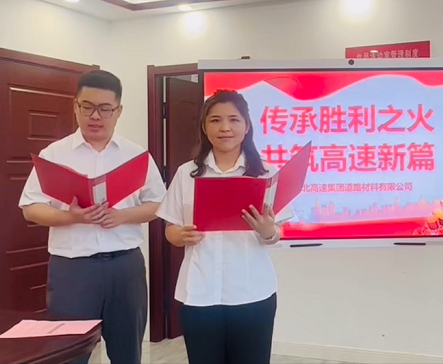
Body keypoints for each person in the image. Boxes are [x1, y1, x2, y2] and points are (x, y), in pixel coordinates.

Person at [18, 70, 166, 364]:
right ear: (75, 106)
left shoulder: (136, 155)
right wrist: (72, 217)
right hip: (73, 269)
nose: (95, 116)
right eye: (87, 107)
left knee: (127, 353)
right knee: (68, 354)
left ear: (118, 111)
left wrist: (122, 216)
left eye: (105, 109)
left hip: (125, 268)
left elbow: (159, 204)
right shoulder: (54, 154)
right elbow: (30, 208)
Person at [156, 89, 294, 364]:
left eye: (234, 119)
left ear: (247, 126)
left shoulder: (266, 173)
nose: (225, 128)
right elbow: (170, 229)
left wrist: (267, 230)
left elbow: (277, 233)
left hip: (252, 292)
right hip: (200, 291)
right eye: (215, 120)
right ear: (204, 127)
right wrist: (181, 235)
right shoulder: (187, 173)